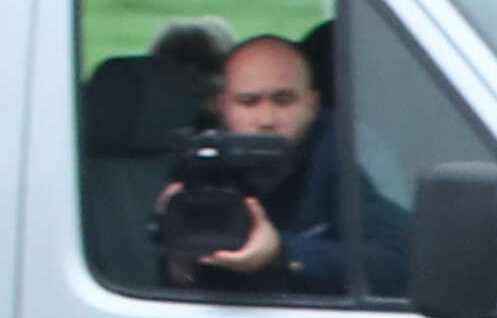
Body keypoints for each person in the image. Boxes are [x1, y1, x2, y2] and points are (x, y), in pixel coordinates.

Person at [166, 32, 405, 298]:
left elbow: (400, 263)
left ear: (313, 105)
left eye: (283, 101)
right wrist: (177, 254)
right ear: (222, 107)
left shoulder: (345, 153)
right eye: (248, 102)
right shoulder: (202, 160)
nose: (266, 120)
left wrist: (282, 252)